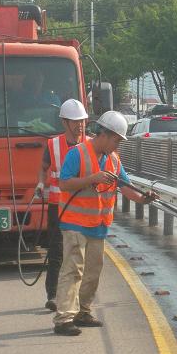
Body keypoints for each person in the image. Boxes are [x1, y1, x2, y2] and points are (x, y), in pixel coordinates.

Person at [52, 110, 158, 336]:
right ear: (105, 134)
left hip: (98, 225)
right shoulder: (77, 154)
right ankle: (64, 319)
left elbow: (126, 187)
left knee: (93, 271)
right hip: (74, 222)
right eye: (117, 140)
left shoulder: (113, 159)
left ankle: (82, 311)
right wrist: (93, 178)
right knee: (73, 270)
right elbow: (64, 184)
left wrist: (143, 198)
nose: (117, 145)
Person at [36, 99, 89, 312]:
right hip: (58, 206)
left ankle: (76, 299)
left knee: (80, 254)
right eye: (75, 121)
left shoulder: (91, 144)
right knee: (57, 251)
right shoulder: (53, 145)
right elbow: (43, 167)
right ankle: (53, 295)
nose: (80, 125)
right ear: (65, 122)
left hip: (82, 208)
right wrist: (41, 183)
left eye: (83, 121)